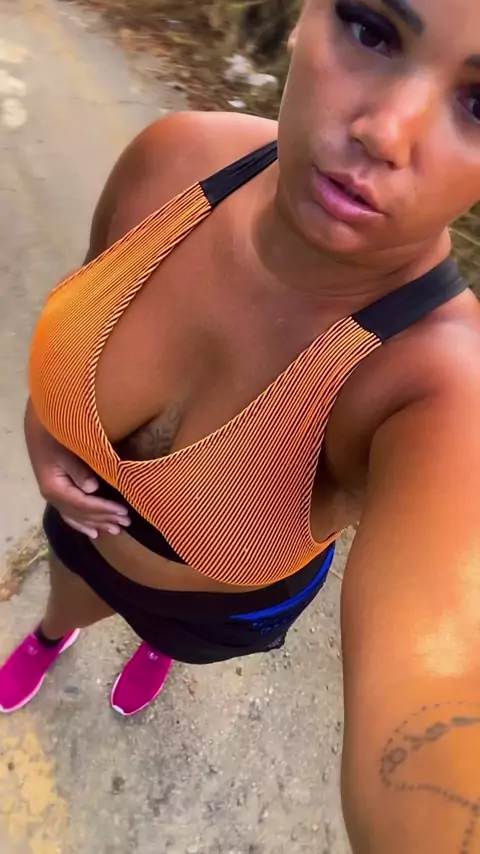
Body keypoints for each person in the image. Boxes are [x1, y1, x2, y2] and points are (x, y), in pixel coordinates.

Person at [2, 0, 480, 848]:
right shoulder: (172, 159)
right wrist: (49, 427)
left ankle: (159, 646)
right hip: (82, 523)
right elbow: (83, 302)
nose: (384, 132)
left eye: (479, 105)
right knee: (69, 597)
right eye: (371, 30)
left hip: (210, 611)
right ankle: (52, 631)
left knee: (170, 636)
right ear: (304, 16)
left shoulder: (436, 388)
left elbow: (442, 675)